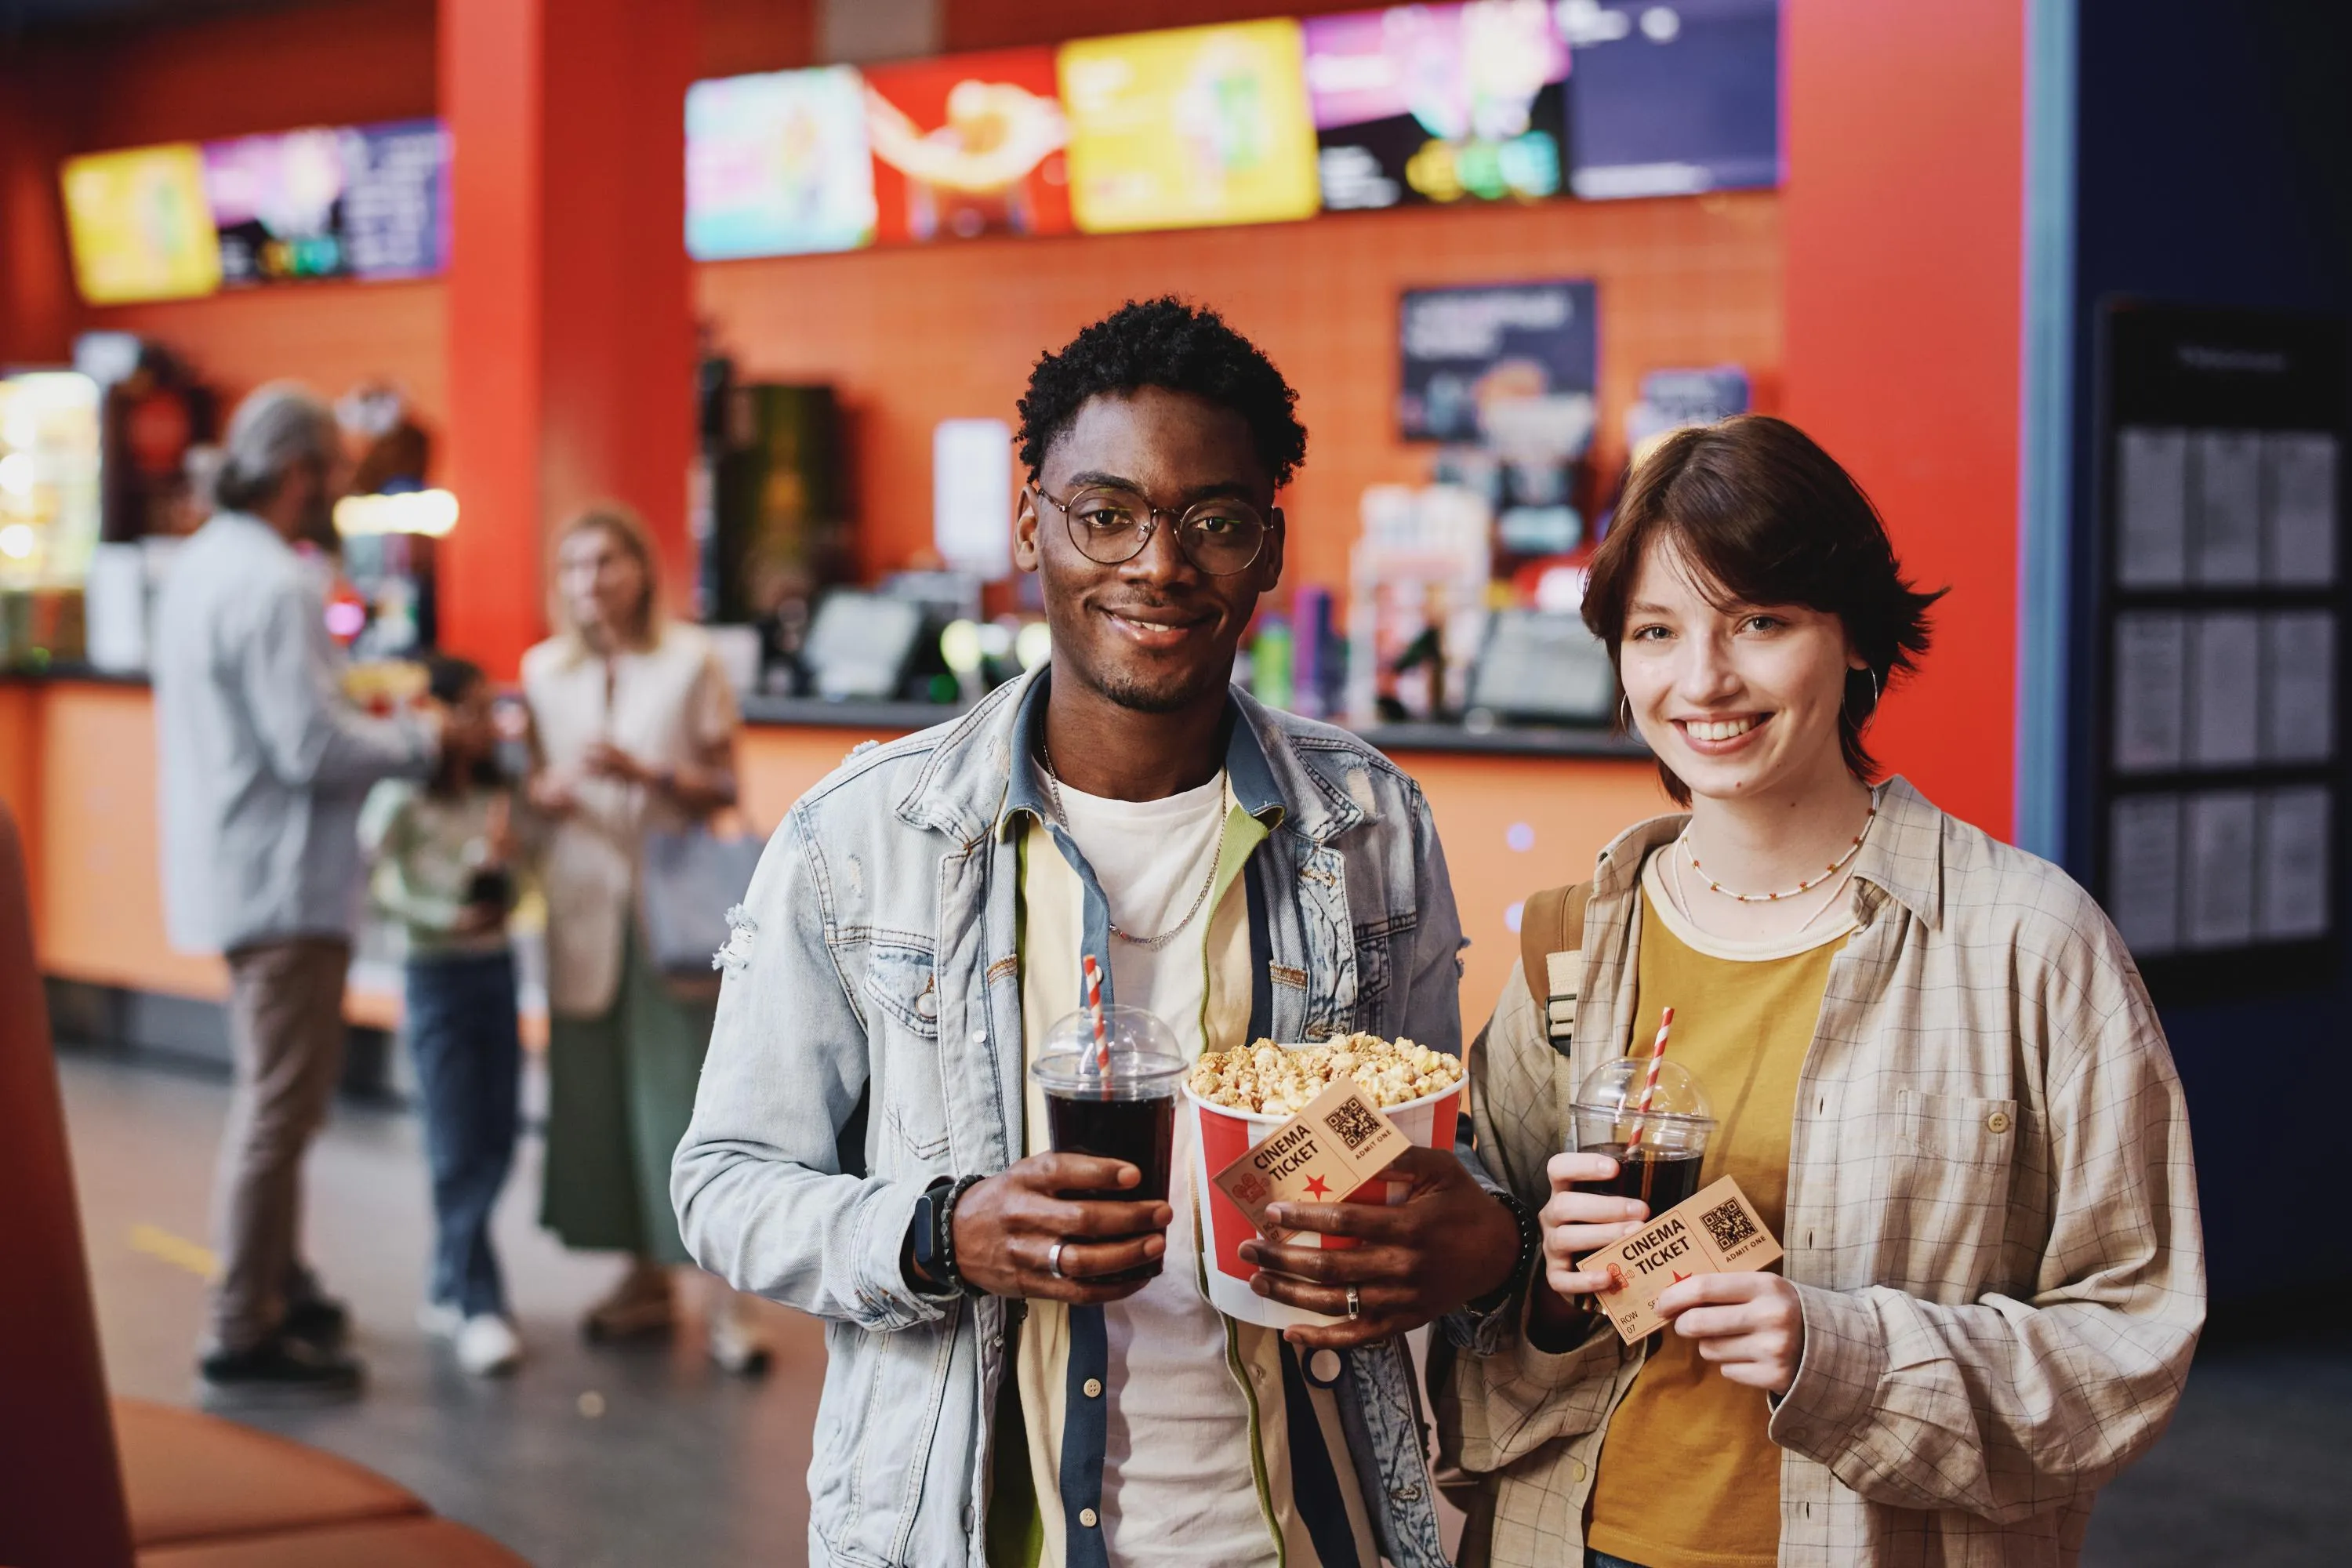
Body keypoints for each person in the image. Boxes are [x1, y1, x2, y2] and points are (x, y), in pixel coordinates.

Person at [673, 298, 1536, 1568]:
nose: (1160, 565)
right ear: (1033, 523)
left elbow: (1432, 1166)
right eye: (1108, 514)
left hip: (1307, 1528)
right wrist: (941, 1232)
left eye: (1215, 523)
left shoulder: (1371, 828)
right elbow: (727, 1186)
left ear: (1270, 550)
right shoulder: (866, 834)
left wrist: (1460, 1237)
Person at [1434, 415, 2205, 1568]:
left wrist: (1836, 1355)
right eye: (1656, 630)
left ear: (1853, 639)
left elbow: (2130, 1349)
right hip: (1574, 1540)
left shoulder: (2026, 946)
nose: (1704, 680)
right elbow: (1483, 1313)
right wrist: (1545, 1289)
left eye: (1760, 621)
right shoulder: (1574, 940)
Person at [153, 381, 442, 1401]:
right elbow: (307, 744)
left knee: (278, 1095)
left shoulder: (201, 564)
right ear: (296, 472)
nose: (340, 494)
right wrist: (422, 740)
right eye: (334, 472)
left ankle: (280, 1277)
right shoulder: (276, 582)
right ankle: (241, 1323)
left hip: (236, 867)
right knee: (279, 1109)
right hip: (284, 883)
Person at [521, 503, 769, 1371]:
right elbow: (523, 794)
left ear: (642, 568)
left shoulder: (688, 659)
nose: (592, 583)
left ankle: (725, 1300)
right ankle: (642, 1279)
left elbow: (725, 781)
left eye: (608, 563)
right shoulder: (541, 671)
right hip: (584, 907)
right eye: (575, 567)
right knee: (604, 1106)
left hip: (673, 913)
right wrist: (544, 792)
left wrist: (648, 772)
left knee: (688, 1104)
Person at [358, 655, 528, 1377]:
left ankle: (445, 1280)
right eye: (473, 709)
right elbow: (370, 881)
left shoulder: (497, 794)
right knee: (457, 1141)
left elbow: (516, 883)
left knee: (496, 1136)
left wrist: (501, 893)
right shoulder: (398, 795)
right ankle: (479, 1301)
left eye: (493, 709)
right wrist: (441, 916)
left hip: (496, 970)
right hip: (434, 976)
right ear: (433, 713)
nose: (488, 725)